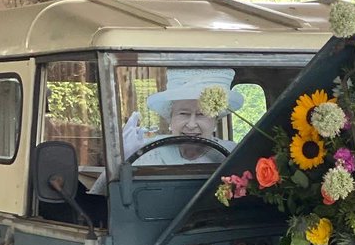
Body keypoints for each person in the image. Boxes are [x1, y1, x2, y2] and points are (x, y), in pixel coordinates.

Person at [90, 67, 244, 195]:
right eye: (183, 114)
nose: (191, 124)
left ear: (215, 121)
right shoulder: (145, 152)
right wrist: (120, 160)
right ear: (170, 118)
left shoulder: (234, 153)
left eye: (201, 115)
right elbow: (101, 196)